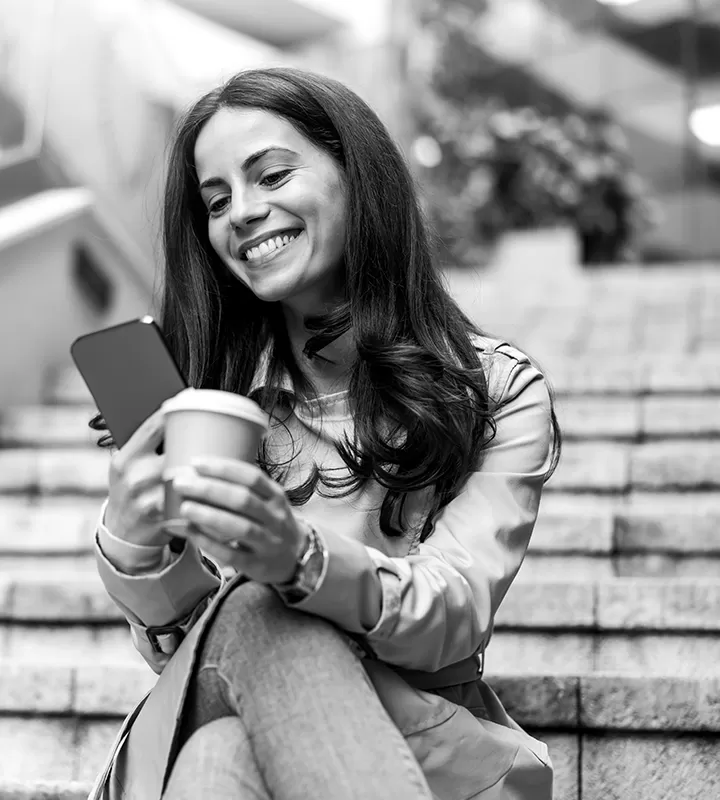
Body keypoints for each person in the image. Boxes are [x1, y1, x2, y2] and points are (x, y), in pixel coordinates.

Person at [87, 66, 561, 800]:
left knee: (221, 746)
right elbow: (196, 652)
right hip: (240, 698)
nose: (242, 213)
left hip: (422, 745)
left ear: (356, 176)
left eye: (272, 176)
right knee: (247, 622)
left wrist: (302, 561)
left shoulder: (495, 390)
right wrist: (133, 547)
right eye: (217, 201)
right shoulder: (209, 407)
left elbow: (454, 609)